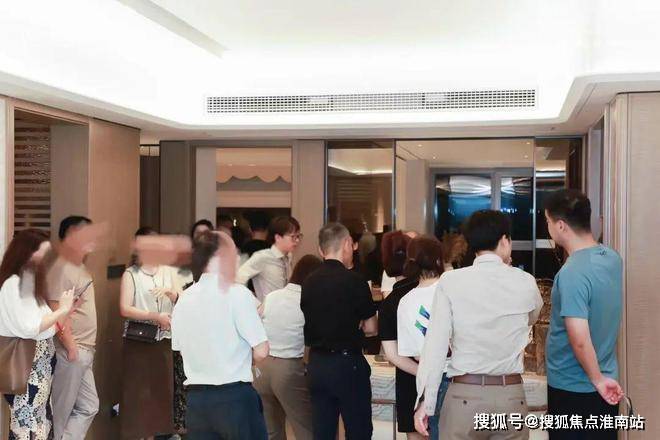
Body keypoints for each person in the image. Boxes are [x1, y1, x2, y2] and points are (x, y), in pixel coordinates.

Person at [414, 210, 543, 439]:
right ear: (504, 241)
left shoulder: (451, 281)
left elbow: (435, 346)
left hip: (464, 396)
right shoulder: (525, 282)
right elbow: (532, 317)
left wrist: (427, 402)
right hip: (510, 397)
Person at [171, 230, 269, 439]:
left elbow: (179, 347)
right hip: (234, 398)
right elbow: (261, 351)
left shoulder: (184, 298)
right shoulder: (237, 294)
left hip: (197, 402)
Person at [544, 189, 623, 440]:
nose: (548, 228)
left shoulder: (572, 273)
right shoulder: (612, 258)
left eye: (547, 222)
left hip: (574, 387)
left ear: (560, 225)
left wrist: (597, 380)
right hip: (605, 383)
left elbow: (579, 337)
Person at [301, 223, 377, 440]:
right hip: (347, 363)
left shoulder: (309, 282)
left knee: (323, 431)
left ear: (320, 249)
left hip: (317, 363)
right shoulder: (355, 281)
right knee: (358, 430)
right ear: (347, 244)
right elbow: (372, 328)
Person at [0, 229, 76, 440]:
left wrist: (63, 312)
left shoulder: (28, 283)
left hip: (39, 361)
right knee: (28, 423)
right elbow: (30, 327)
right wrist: (62, 310)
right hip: (28, 363)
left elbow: (44, 325)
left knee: (38, 420)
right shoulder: (14, 284)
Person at [119, 226, 181, 439]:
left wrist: (172, 294)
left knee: (160, 394)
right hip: (139, 341)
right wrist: (155, 316)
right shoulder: (131, 274)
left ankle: (153, 436)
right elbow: (125, 308)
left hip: (163, 340)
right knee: (138, 394)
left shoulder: (169, 271)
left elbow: (182, 300)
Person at [254, 254, 322, 440]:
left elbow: (257, 322)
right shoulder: (310, 302)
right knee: (305, 428)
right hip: (288, 369)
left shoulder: (272, 296)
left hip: (261, 368)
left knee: (271, 431)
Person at [46, 216, 100, 440]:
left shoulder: (78, 266)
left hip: (82, 349)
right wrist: (70, 345)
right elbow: (55, 308)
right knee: (61, 411)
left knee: (89, 406)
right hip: (72, 350)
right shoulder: (62, 267)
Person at [395, 235, 449, 440]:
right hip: (464, 377)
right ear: (439, 260)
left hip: (431, 382)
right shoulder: (453, 288)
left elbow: (416, 355)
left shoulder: (405, 302)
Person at [377, 231, 421, 439]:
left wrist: (421, 372)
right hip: (441, 374)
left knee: (414, 433)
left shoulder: (389, 303)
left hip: (408, 378)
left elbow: (392, 354)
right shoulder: (431, 291)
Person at [237, 216, 302, 303]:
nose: (297, 240)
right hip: (267, 309)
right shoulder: (262, 257)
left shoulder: (288, 257)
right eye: (293, 237)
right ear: (278, 237)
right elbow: (238, 279)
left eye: (298, 236)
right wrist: (255, 303)